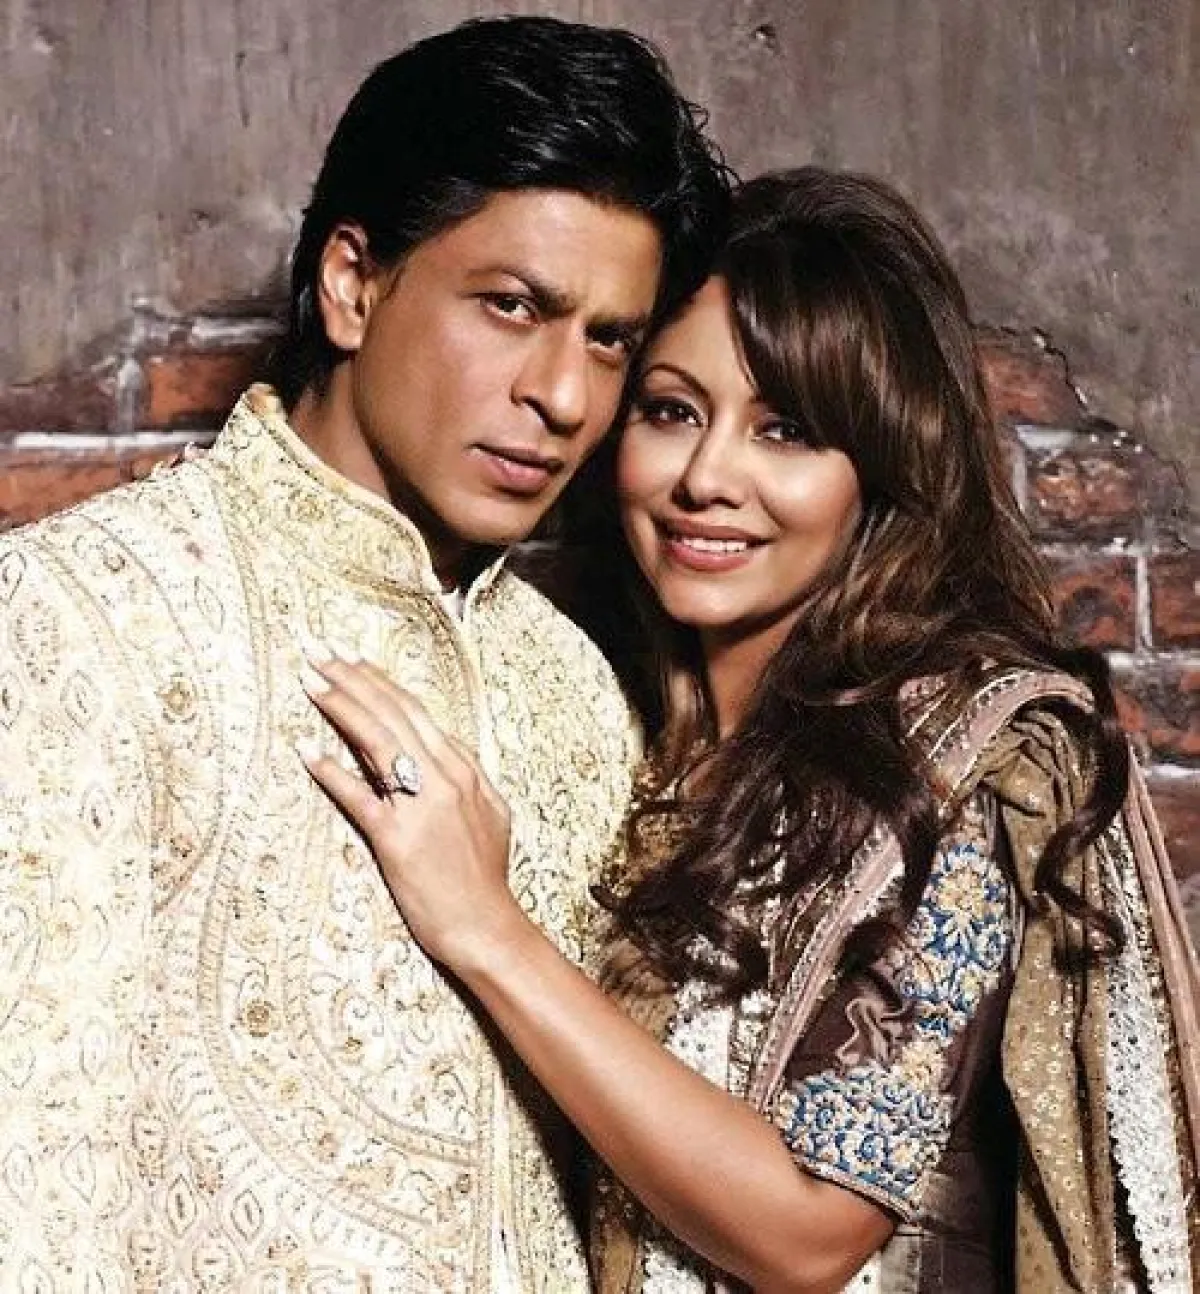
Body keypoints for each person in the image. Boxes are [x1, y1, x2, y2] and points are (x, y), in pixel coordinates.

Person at [299, 167, 1200, 1293]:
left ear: (882, 467)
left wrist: (486, 927)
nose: (707, 479)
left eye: (786, 431)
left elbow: (811, 1230)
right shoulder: (605, 729)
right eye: (672, 412)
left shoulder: (963, 765)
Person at [0, 17, 730, 1290]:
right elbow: (34, 1182)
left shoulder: (578, 692)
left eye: (609, 339)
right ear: (353, 283)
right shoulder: (87, 615)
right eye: (513, 307)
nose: (564, 396)